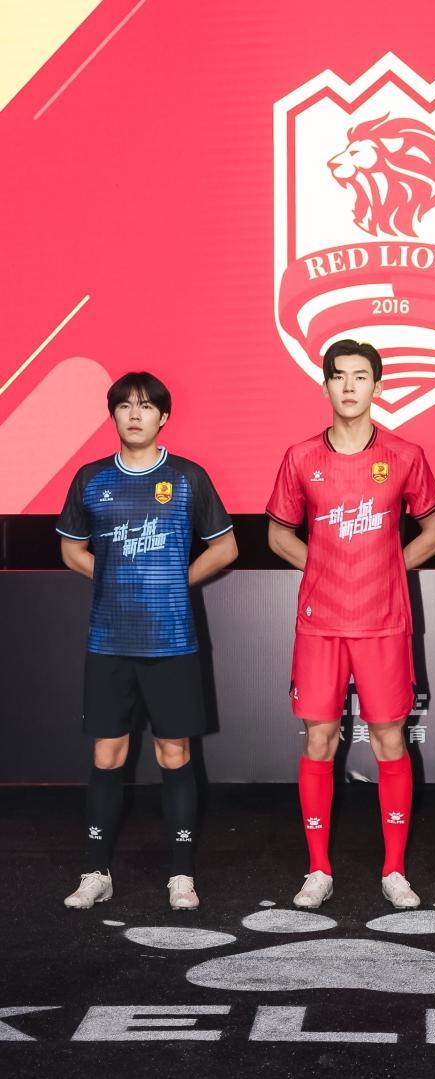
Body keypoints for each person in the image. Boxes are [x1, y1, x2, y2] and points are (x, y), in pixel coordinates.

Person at [267, 339, 435, 910]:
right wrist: (323, 566)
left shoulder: (405, 455)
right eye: (339, 376)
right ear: (325, 384)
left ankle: (394, 870)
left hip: (383, 622)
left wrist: (389, 566)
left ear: (377, 385)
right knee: (319, 740)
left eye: (361, 376)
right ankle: (317, 870)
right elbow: (278, 534)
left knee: (390, 740)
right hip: (320, 624)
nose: (349, 386)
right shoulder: (300, 456)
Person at [58, 372, 237, 911]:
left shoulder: (186, 478)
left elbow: (225, 548)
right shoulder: (91, 478)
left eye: (145, 406)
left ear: (163, 417)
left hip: (172, 640)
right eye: (124, 406)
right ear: (113, 415)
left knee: (174, 753)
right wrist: (115, 578)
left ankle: (181, 875)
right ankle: (96, 872)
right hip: (109, 640)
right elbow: (71, 550)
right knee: (107, 753)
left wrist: (174, 580)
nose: (134, 414)